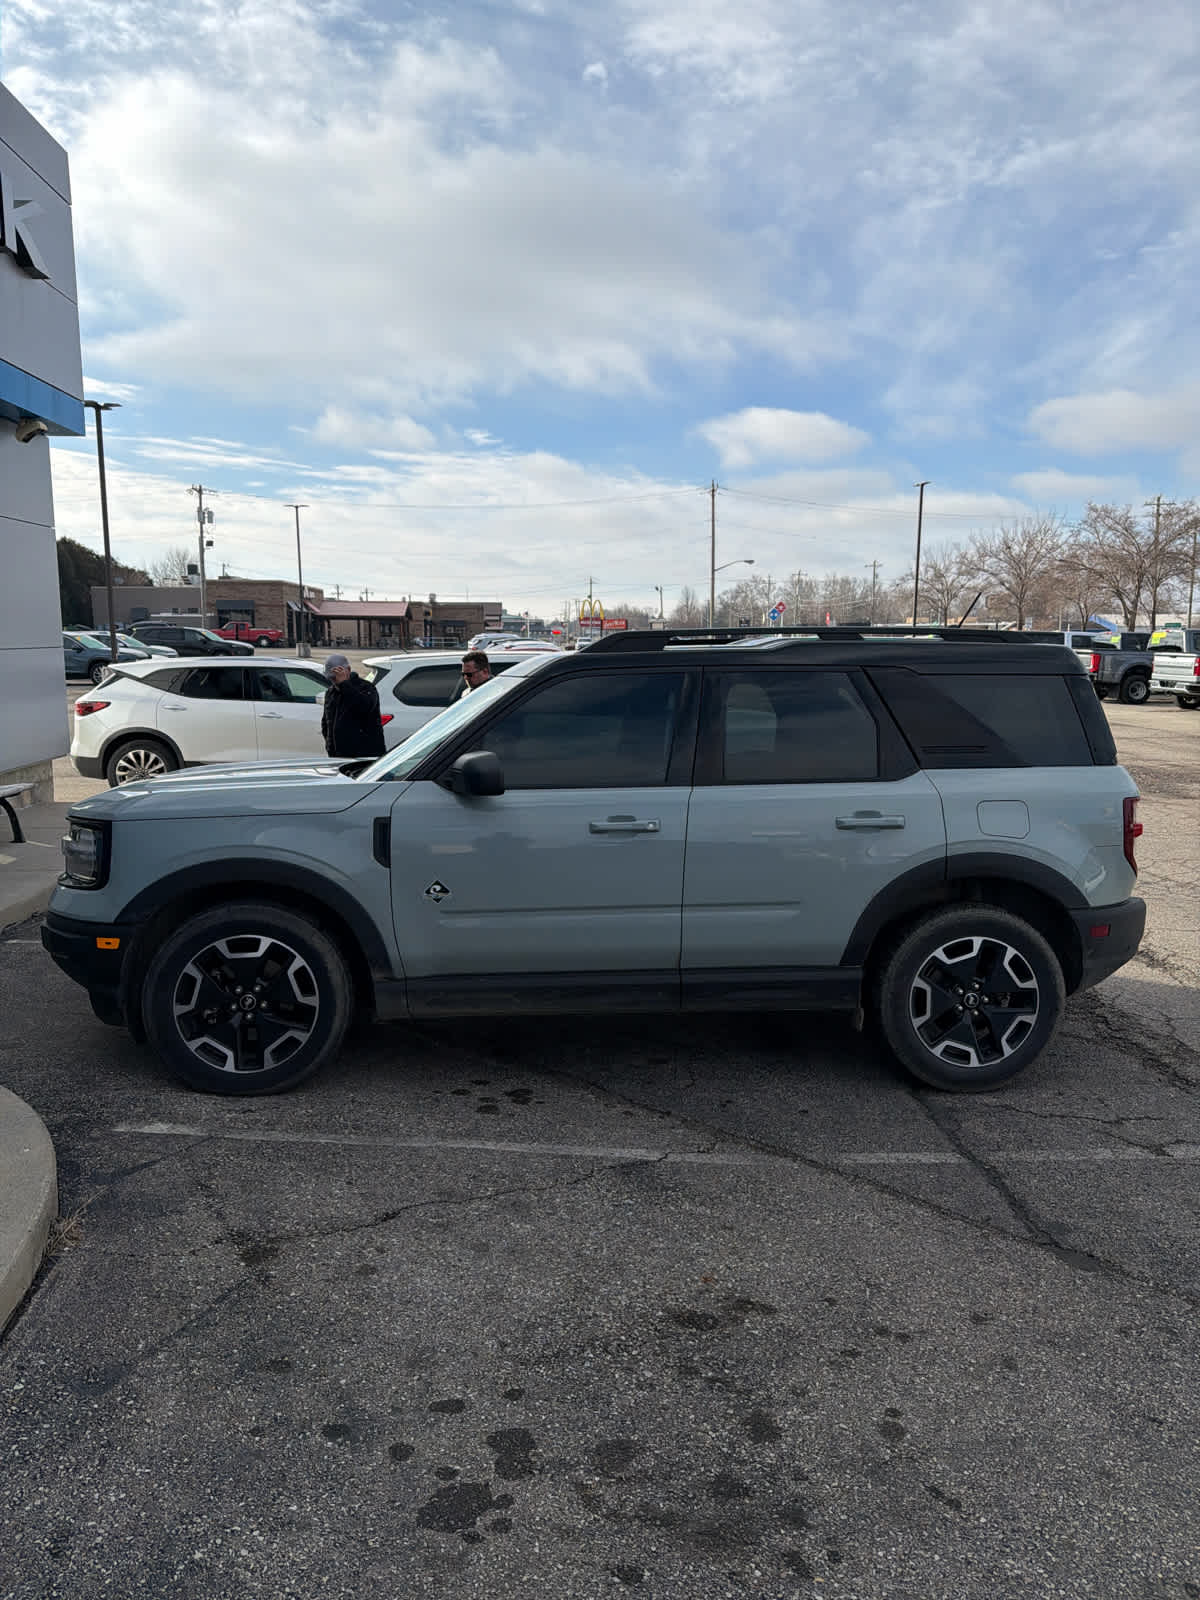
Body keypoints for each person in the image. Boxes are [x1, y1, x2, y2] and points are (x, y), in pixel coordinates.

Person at [321, 652, 385, 757]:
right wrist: (330, 746)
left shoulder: (366, 688)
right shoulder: (331, 692)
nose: (335, 681)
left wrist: (344, 685)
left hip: (363, 754)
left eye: (337, 677)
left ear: (348, 670)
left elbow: (364, 707)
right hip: (338, 754)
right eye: (332, 678)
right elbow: (327, 722)